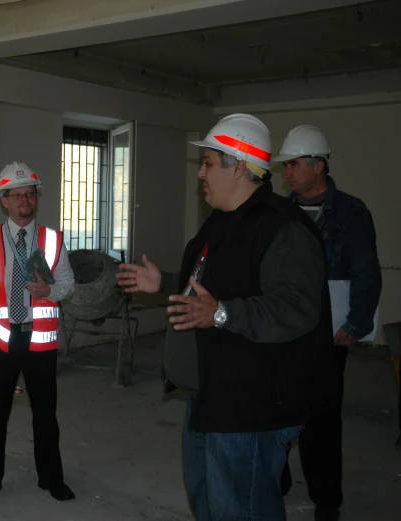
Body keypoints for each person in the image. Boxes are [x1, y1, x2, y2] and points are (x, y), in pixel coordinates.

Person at [117, 114, 337, 521]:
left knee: (242, 509)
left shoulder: (283, 229)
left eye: (208, 163)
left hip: (250, 406)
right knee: (208, 502)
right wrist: (164, 282)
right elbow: (211, 285)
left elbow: (296, 308)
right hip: (210, 393)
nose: (200, 173)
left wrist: (221, 313)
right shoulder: (220, 222)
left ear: (238, 166)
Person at [275, 125, 382, 521]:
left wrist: (355, 323)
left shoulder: (351, 212)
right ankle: (277, 481)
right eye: (286, 166)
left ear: (318, 166)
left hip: (327, 335)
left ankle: (327, 501)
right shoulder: (280, 211)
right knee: (279, 407)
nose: (287, 173)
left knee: (321, 418)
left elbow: (366, 271)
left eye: (294, 165)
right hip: (285, 331)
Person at [0, 162, 75, 503]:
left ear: (36, 197)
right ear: (4, 201)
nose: (25, 199)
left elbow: (68, 285)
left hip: (40, 340)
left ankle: (51, 478)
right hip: (1, 339)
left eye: (30, 192)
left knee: (46, 413)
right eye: (17, 195)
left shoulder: (53, 240)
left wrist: (49, 292)